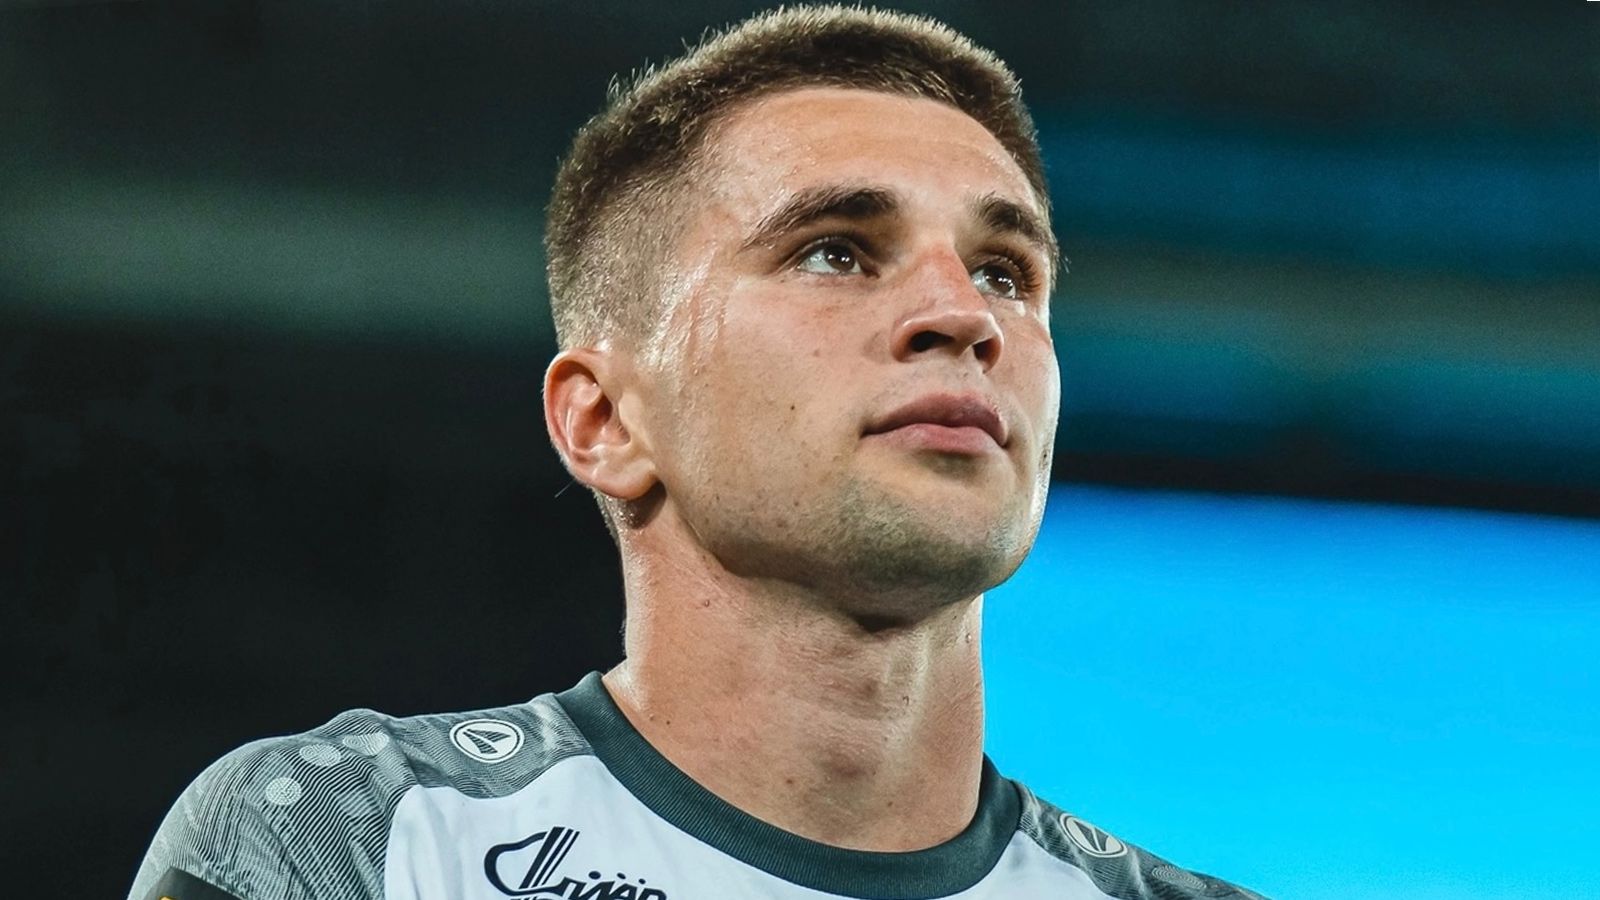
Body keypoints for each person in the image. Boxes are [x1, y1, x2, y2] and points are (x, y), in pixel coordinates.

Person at [130, 6, 1265, 899]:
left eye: (1006, 273)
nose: (964, 315)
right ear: (605, 423)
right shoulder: (353, 840)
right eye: (835, 251)